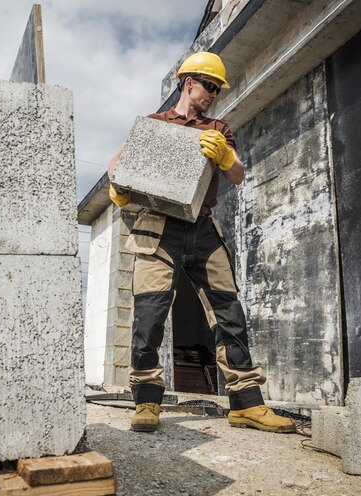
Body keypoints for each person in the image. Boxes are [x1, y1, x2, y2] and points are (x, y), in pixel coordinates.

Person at [107, 52, 295, 434]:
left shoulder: (218, 129)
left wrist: (226, 156)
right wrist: (119, 188)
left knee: (229, 314)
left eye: (217, 89)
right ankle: (146, 400)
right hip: (157, 228)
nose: (213, 94)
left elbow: (237, 175)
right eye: (209, 86)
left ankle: (246, 404)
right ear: (189, 82)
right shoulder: (154, 124)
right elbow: (117, 166)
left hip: (203, 228)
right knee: (149, 314)